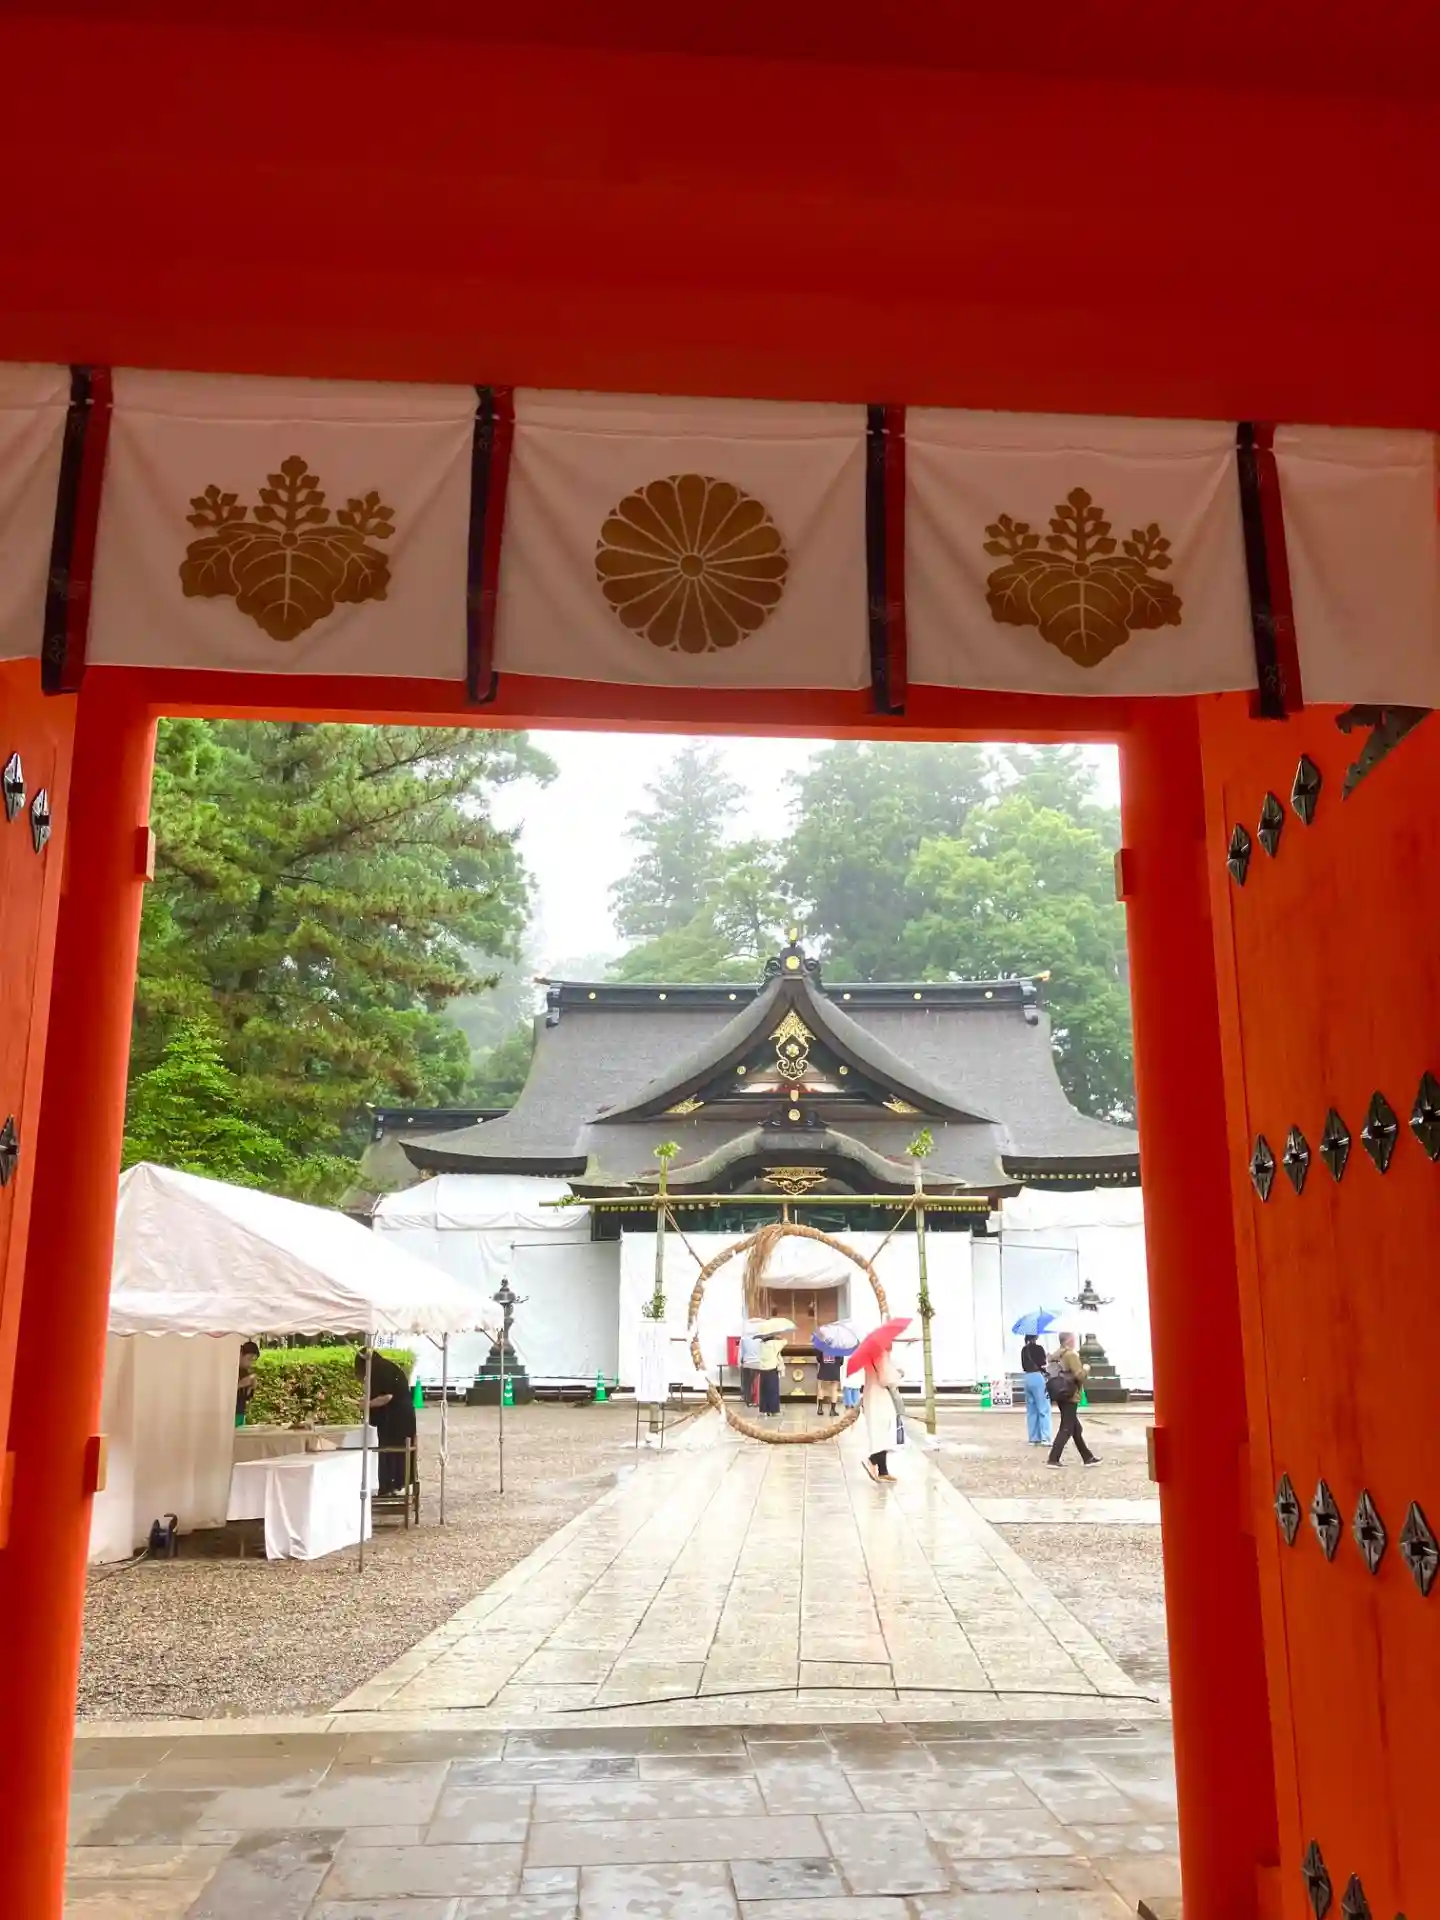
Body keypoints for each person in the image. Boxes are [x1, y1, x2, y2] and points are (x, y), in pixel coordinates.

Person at [354, 1347, 418, 1494]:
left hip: (395, 1418)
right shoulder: (386, 1366)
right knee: (397, 1452)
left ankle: (389, 1486)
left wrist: (366, 1404)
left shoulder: (379, 1369)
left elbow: (386, 1396)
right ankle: (394, 1485)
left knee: (390, 1451)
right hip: (402, 1415)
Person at [1046, 1331, 1100, 1468]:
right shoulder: (1070, 1355)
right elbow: (1079, 1375)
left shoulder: (1056, 1355)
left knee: (1076, 1428)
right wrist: (1086, 1368)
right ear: (1068, 1340)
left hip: (1059, 1392)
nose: (1074, 1341)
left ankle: (1087, 1457)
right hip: (1070, 1393)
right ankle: (1053, 1459)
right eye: (1073, 1339)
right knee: (1067, 1427)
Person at [861, 1347, 905, 1481]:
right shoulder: (880, 1353)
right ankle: (873, 1460)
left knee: (880, 1432)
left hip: (871, 1393)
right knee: (882, 1431)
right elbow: (886, 1379)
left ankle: (883, 1470)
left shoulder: (871, 1353)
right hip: (880, 1395)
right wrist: (898, 1375)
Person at [1020, 1331, 1051, 1446]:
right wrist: (1047, 1358)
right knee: (1043, 1408)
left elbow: (1024, 1366)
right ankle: (1045, 1437)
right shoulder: (1039, 1348)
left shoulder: (1024, 1350)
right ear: (1036, 1336)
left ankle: (1033, 1438)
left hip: (1027, 1377)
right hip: (1037, 1377)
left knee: (1031, 1409)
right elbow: (1043, 1363)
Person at [755, 1330, 785, 1416]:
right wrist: (778, 1337)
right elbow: (784, 1342)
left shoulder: (761, 1345)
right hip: (772, 1369)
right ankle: (773, 1410)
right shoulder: (774, 1344)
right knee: (773, 1391)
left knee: (764, 1391)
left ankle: (765, 1409)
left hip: (763, 1370)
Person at [235, 1340, 260, 1425]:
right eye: (249, 1359)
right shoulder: (230, 1369)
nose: (250, 1363)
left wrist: (252, 1388)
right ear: (241, 1354)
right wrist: (240, 1384)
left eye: (253, 1361)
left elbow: (246, 1397)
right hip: (229, 1413)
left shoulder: (245, 1372)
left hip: (240, 1412)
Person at [738, 1327, 762, 1407]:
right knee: (756, 1383)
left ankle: (748, 1401)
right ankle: (756, 1400)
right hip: (758, 1364)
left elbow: (740, 1353)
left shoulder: (743, 1339)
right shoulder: (760, 1340)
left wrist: (739, 1363)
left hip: (747, 1364)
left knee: (747, 1383)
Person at [815, 1349, 842, 1416]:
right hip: (834, 1369)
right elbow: (841, 1360)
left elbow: (818, 1358)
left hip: (824, 1368)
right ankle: (832, 1410)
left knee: (821, 1388)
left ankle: (820, 1409)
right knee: (834, 1389)